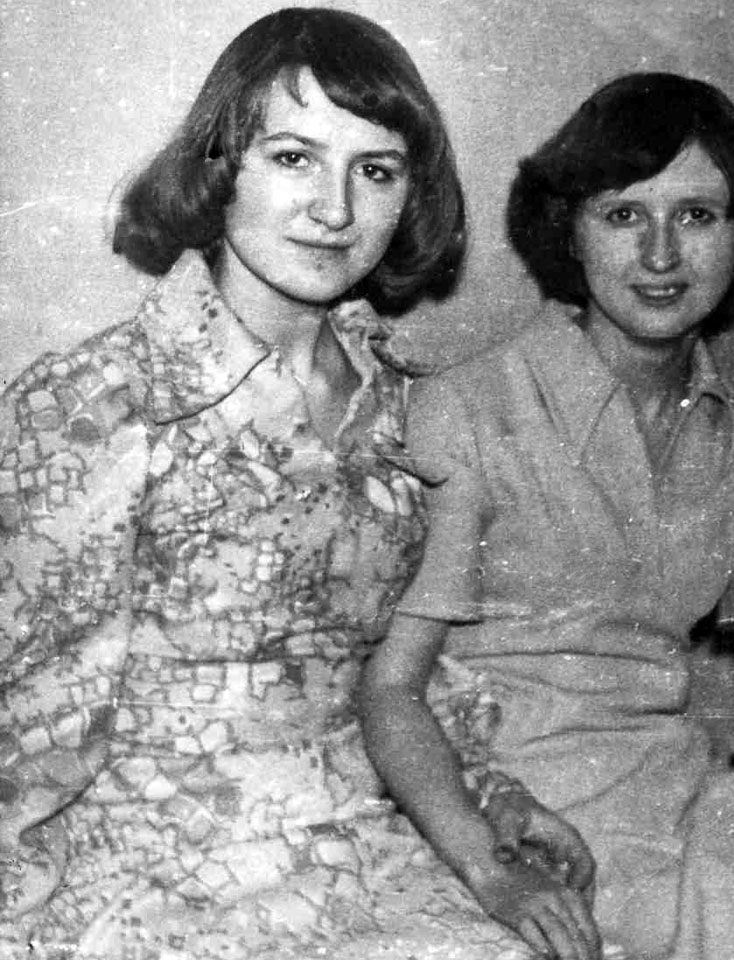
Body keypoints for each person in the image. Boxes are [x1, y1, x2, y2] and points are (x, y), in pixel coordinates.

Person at [0, 9, 539, 959]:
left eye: (375, 171)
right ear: (220, 169)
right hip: (150, 872)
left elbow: (398, 680)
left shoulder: (404, 411)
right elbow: (30, 713)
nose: (335, 209)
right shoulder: (98, 404)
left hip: (367, 854)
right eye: (294, 158)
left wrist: (495, 808)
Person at [361, 72, 734, 960]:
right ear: (570, 231)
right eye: (622, 215)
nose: (659, 255)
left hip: (692, 804)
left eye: (696, 215)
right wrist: (488, 860)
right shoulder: (465, 410)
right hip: (522, 817)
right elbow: (389, 689)